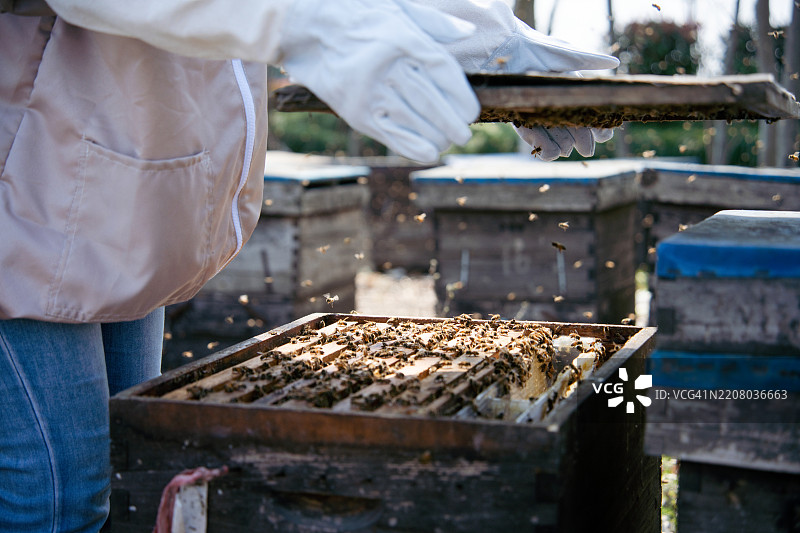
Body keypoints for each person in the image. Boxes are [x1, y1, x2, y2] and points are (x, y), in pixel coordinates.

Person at [0, 0, 618, 530]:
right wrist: (303, 20)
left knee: (134, 480)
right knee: (59, 504)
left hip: (122, 179)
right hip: (26, 177)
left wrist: (490, 39)